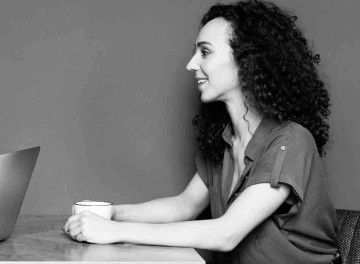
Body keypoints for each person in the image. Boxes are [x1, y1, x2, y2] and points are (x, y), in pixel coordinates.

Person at [63, 1, 339, 263]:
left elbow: (226, 233)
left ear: (246, 61)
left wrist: (115, 232)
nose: (191, 64)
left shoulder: (291, 140)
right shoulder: (225, 141)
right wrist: (112, 214)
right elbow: (183, 206)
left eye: (205, 52)